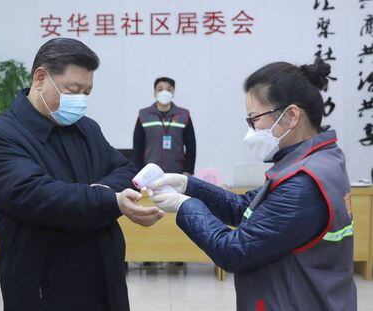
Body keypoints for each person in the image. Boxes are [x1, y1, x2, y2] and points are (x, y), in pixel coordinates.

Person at [149, 58, 357, 310]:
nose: (251, 129)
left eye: (254, 118)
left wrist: (186, 206)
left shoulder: (302, 184)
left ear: (291, 116)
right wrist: (189, 185)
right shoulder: (317, 160)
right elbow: (246, 207)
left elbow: (233, 251)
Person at [0, 38, 164, 311]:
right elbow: (37, 195)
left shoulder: (86, 128)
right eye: (73, 89)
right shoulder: (2, 137)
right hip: (44, 289)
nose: (80, 100)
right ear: (40, 78)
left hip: (104, 282)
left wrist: (91, 194)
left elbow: (124, 170)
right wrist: (105, 198)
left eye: (86, 93)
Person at [133, 77, 196, 176]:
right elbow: (137, 147)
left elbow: (191, 146)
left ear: (173, 93)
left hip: (177, 173)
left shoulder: (184, 115)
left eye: (169, 89)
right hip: (150, 173)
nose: (164, 92)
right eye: (160, 89)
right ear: (154, 92)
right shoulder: (144, 115)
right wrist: (139, 171)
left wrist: (188, 171)